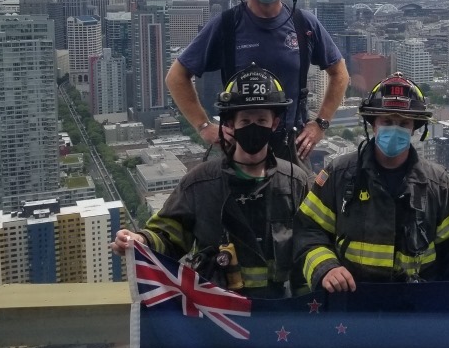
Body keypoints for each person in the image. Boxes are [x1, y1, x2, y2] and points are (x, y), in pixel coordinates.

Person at [112, 64, 311, 298]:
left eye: (261, 120)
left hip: (282, 319)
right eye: (245, 121)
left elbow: (312, 240)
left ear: (274, 124)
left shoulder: (294, 182)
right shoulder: (200, 183)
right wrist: (140, 240)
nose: (254, 127)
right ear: (229, 124)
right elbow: (169, 235)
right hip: (221, 317)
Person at [165, 0, 349, 166]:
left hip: (290, 149)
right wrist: (204, 126)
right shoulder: (227, 25)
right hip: (241, 149)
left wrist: (321, 124)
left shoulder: (304, 24)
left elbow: (340, 73)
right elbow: (176, 77)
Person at [295, 72, 449, 290]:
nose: (394, 129)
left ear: (414, 128)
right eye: (387, 121)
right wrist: (326, 267)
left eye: (403, 123)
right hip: (352, 307)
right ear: (373, 125)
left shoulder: (437, 185)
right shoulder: (339, 175)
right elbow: (307, 231)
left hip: (416, 310)